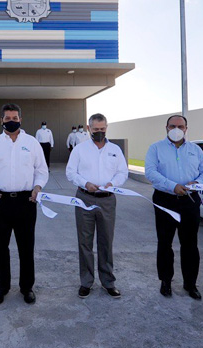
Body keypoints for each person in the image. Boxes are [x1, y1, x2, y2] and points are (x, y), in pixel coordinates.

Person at [0, 103, 48, 305]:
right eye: (7, 118)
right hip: (0, 201)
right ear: (1, 120)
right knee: (1, 247)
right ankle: (3, 286)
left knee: (26, 247)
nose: (11, 121)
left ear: (20, 119)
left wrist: (38, 187)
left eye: (15, 118)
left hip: (27, 201)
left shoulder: (32, 143)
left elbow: (41, 170)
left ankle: (27, 287)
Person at [145, 115, 203, 300]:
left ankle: (190, 283)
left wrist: (197, 183)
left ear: (186, 128)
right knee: (165, 243)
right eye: (172, 126)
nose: (176, 129)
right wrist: (172, 186)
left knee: (190, 244)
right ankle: (165, 281)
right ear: (166, 128)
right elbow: (150, 172)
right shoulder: (155, 148)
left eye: (180, 126)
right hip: (165, 200)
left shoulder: (195, 150)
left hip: (190, 200)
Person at [66, 113, 128, 299]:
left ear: (106, 128)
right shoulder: (80, 149)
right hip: (84, 198)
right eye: (95, 129)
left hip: (107, 200)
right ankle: (86, 282)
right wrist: (85, 183)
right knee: (85, 241)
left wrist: (112, 184)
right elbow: (71, 172)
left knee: (106, 241)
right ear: (88, 129)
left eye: (102, 129)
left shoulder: (115, 149)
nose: (99, 132)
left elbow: (122, 172)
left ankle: (108, 281)